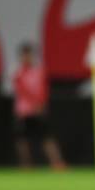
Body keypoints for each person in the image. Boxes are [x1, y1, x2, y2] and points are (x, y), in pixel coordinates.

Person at [12, 42, 66, 170]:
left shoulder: (39, 71)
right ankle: (26, 165)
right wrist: (35, 103)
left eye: (29, 55)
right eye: (24, 55)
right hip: (24, 111)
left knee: (47, 137)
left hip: (39, 110)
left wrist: (41, 104)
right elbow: (22, 90)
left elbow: (44, 89)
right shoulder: (18, 73)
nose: (26, 58)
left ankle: (57, 163)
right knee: (22, 140)